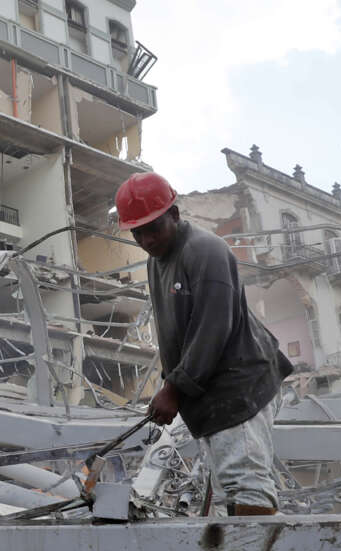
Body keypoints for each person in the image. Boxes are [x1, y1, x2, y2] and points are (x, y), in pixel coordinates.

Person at [115, 172, 293, 517]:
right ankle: (246, 549)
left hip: (239, 387)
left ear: (174, 214)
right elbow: (175, 332)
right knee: (229, 497)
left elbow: (213, 327)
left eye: (154, 228)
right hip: (212, 394)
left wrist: (174, 388)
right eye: (138, 233)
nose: (147, 239)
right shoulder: (157, 261)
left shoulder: (205, 250)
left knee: (247, 489)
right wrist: (173, 386)